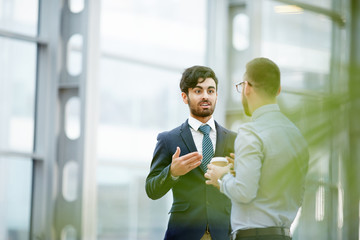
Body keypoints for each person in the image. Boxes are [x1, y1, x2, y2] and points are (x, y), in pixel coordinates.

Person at [204, 57, 309, 240]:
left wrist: (222, 176)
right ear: (278, 90)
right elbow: (297, 192)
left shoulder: (250, 132)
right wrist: (244, 169)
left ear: (246, 87)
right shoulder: (296, 136)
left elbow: (244, 192)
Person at [145, 65, 237, 240]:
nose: (205, 96)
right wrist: (172, 172)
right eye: (198, 91)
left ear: (217, 95)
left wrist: (235, 172)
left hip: (224, 233)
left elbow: (246, 187)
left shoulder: (234, 140)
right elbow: (151, 189)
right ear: (184, 97)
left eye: (211, 91)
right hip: (183, 233)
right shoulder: (168, 140)